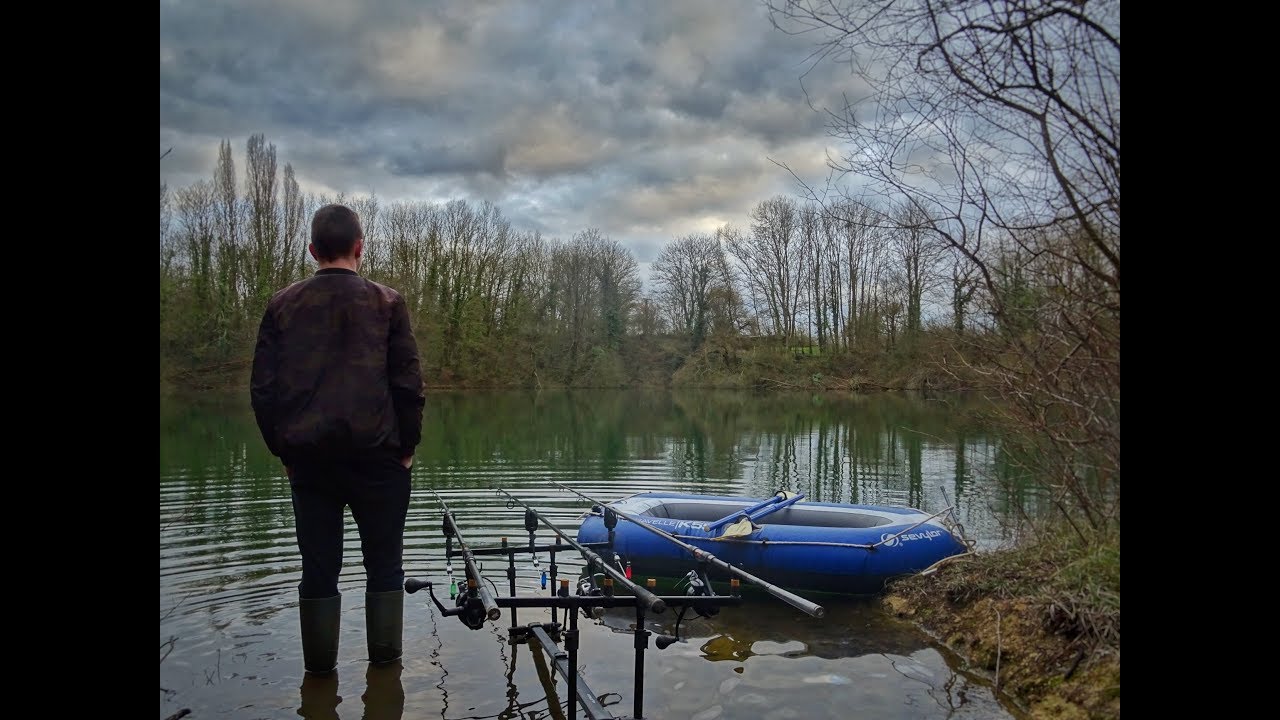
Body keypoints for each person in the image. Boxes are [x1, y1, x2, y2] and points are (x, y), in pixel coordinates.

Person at [251, 203, 425, 675]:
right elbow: (408, 384)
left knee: (319, 570)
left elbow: (264, 390)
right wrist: (407, 448)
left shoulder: (282, 305)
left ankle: (319, 678)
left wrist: (283, 450)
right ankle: (386, 674)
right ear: (359, 247)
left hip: (311, 462)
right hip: (381, 460)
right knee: (385, 567)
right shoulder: (388, 303)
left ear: (312, 250)